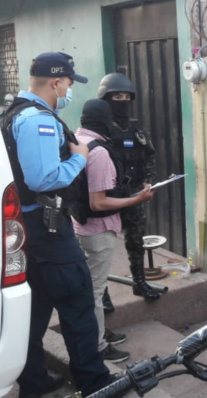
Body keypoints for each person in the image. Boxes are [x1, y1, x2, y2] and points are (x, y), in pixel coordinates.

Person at [0, 52, 114, 397]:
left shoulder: (14, 112)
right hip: (47, 231)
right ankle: (94, 383)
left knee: (34, 311)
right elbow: (43, 179)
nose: (69, 90)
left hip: (28, 229)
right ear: (56, 82)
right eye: (68, 83)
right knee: (78, 305)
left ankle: (34, 382)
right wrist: (80, 158)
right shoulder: (38, 120)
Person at [71, 99, 156, 364]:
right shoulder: (98, 152)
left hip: (82, 226)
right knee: (95, 292)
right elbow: (98, 202)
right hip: (98, 230)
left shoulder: (78, 140)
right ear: (104, 121)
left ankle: (97, 332)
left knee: (90, 287)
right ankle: (98, 345)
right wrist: (136, 199)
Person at [97, 72, 160, 303]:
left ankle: (139, 282)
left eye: (126, 97)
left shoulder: (136, 128)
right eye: (117, 97)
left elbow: (149, 155)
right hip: (108, 196)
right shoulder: (100, 129)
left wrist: (149, 180)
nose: (122, 102)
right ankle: (101, 292)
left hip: (133, 193)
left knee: (136, 241)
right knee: (103, 247)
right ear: (106, 99)